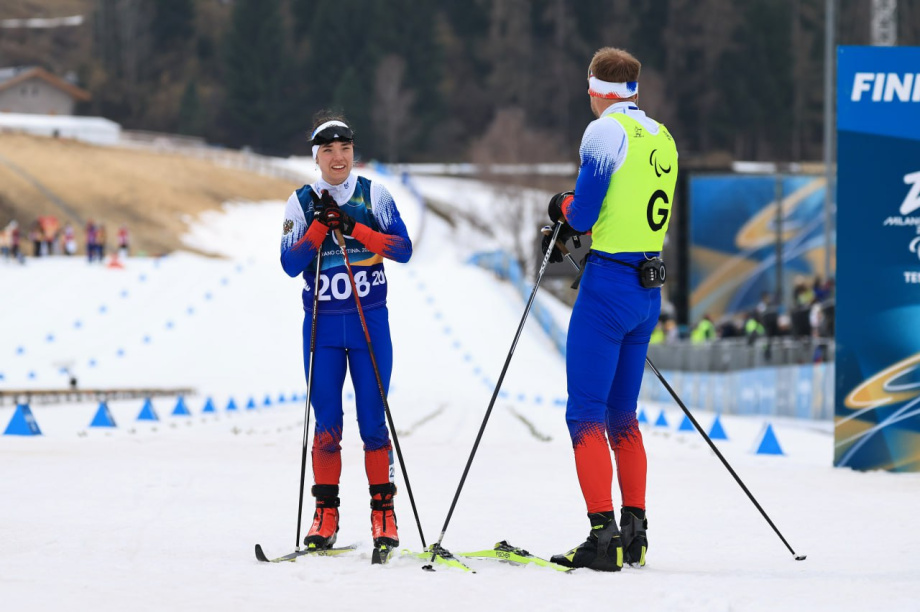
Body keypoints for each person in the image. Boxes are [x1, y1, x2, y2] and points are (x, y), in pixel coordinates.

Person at [540, 47, 678, 571]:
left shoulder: (603, 132)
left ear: (597, 88)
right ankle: (635, 530)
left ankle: (603, 538)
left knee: (584, 416)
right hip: (648, 289)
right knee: (624, 417)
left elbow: (586, 211)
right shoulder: (661, 135)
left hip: (609, 289)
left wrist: (560, 207)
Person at [279, 112, 413, 556]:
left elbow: (403, 249)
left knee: (374, 423)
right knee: (327, 425)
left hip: (368, 321)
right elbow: (289, 264)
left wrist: (355, 228)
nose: (338, 158)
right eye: (328, 151)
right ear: (316, 157)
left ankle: (383, 515)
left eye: (345, 149)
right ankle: (326, 514)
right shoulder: (300, 201)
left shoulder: (375, 194)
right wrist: (319, 228)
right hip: (321, 326)